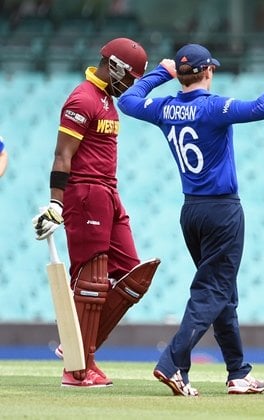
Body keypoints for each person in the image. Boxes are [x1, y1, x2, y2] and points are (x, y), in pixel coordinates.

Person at [117, 44, 264, 397]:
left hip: (192, 211)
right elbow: (263, 107)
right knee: (214, 290)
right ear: (209, 72)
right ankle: (173, 363)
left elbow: (127, 100)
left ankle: (237, 372)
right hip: (222, 211)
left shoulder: (165, 108)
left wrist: (160, 73)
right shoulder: (213, 107)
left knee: (222, 294)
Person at [31, 37, 161, 388]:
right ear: (114, 66)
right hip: (85, 192)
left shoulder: (105, 98)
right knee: (91, 280)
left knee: (133, 275)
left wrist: (162, 74)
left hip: (108, 191)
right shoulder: (82, 98)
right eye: (129, 77)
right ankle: (78, 368)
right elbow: (62, 155)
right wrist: (56, 202)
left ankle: (79, 349)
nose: (131, 84)